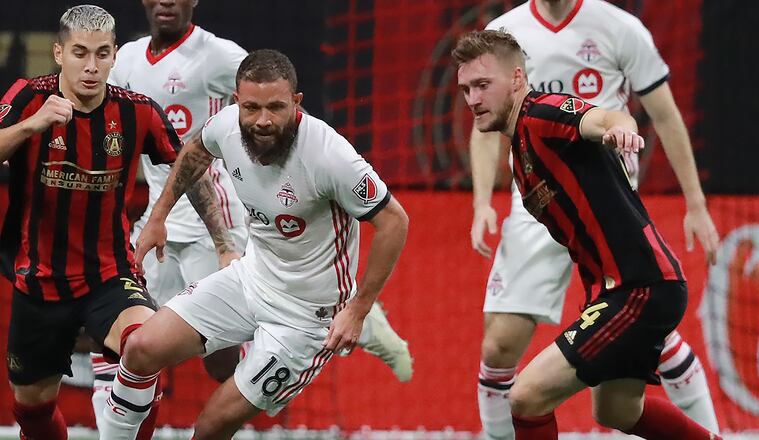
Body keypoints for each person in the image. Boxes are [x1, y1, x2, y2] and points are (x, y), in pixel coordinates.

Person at [100, 49, 410, 439]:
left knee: (211, 425)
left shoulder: (330, 156)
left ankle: (369, 326)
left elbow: (394, 221)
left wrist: (358, 309)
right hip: (249, 279)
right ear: (236, 102)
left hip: (306, 319)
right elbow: (195, 149)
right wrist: (158, 216)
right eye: (251, 108)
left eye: (276, 107)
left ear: (296, 101)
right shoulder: (227, 125)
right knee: (141, 348)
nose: (263, 120)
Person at [469, 1, 720, 438]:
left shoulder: (544, 111)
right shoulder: (522, 156)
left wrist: (619, 128)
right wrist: (481, 203)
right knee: (616, 411)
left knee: (526, 396)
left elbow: (604, 116)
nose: (472, 100)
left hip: (637, 279)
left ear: (517, 78)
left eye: (481, 87)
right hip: (609, 277)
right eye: (466, 89)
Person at [0, 5, 232, 440]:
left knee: (146, 346)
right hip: (39, 279)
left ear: (114, 55)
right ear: (59, 53)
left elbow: (190, 168)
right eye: (80, 53)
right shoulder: (29, 97)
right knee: (31, 408)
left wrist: (219, 241)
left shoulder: (136, 111)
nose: (91, 66)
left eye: (102, 54)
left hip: (109, 275)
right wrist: (32, 126)